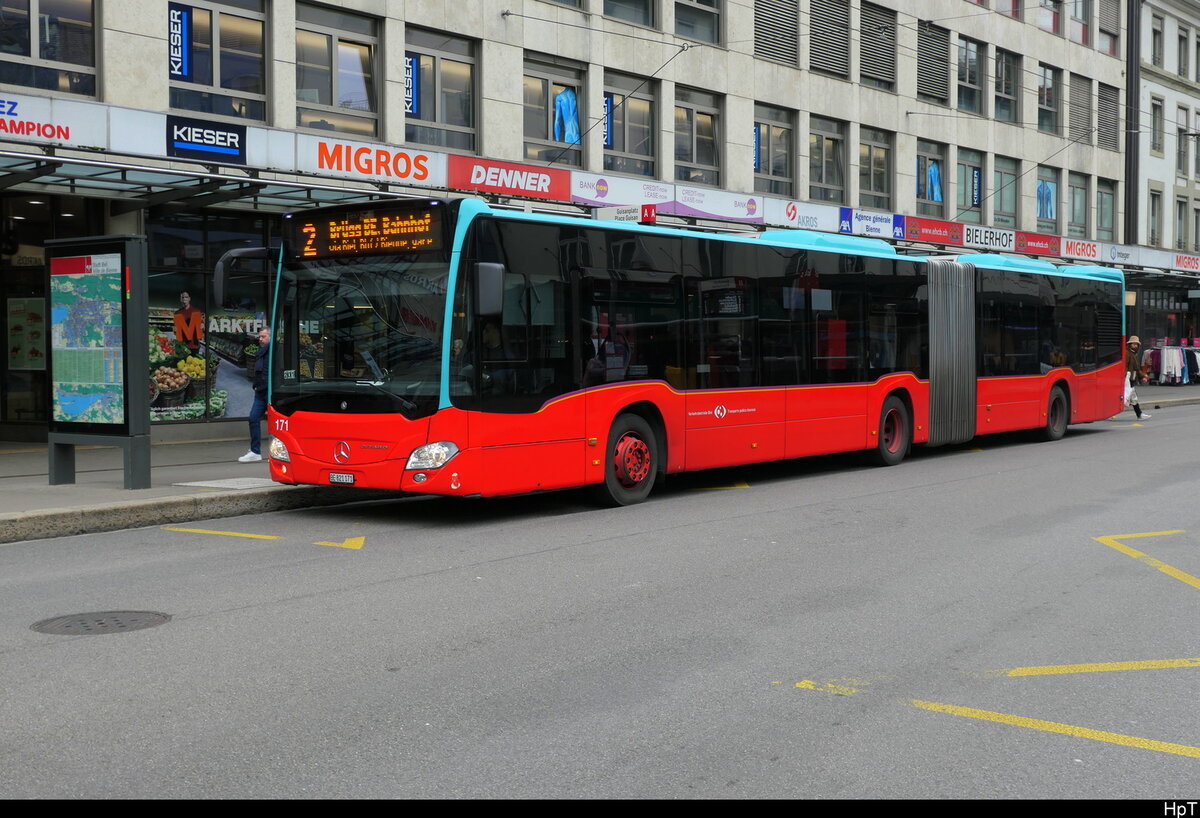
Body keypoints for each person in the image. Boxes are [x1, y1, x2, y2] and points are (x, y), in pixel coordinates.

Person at [239, 327, 270, 462]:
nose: (260, 339)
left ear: (270, 337)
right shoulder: (260, 352)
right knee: (253, 418)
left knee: (276, 424)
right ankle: (255, 452)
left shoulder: (274, 352)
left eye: (263, 336)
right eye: (259, 337)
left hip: (269, 391)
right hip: (260, 391)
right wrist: (256, 385)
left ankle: (278, 454)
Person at [1125, 335, 1151, 420]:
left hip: (1130, 379)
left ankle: (1139, 414)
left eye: (1136, 344)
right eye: (1133, 344)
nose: (1135, 346)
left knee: (1129, 397)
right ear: (1130, 344)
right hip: (1128, 379)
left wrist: (1142, 376)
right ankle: (1139, 414)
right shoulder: (1127, 353)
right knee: (1132, 397)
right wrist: (1126, 377)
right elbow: (1125, 367)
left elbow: (1136, 368)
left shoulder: (1133, 353)